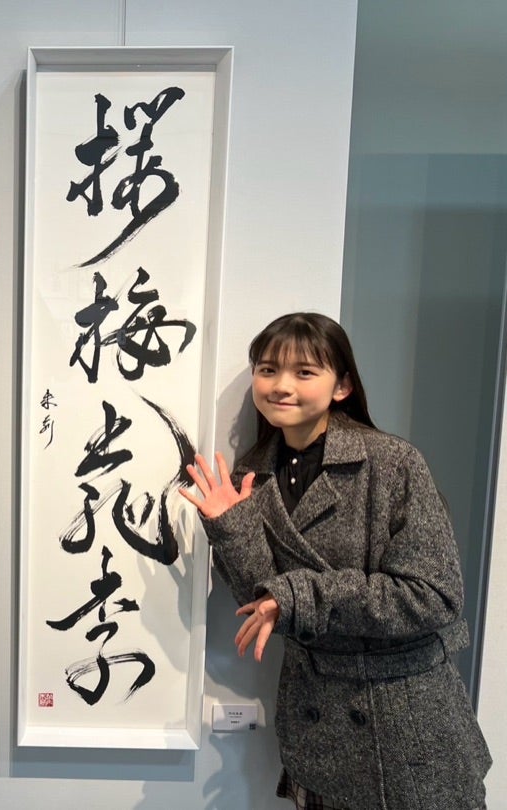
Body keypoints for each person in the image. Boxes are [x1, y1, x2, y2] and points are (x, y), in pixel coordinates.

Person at [179, 312, 490, 809]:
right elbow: (263, 604)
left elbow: (434, 595)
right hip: (317, 722)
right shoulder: (253, 474)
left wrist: (299, 596)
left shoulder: (391, 463)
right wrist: (230, 527)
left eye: (304, 372)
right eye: (267, 370)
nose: (281, 385)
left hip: (403, 728)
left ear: (341, 386)